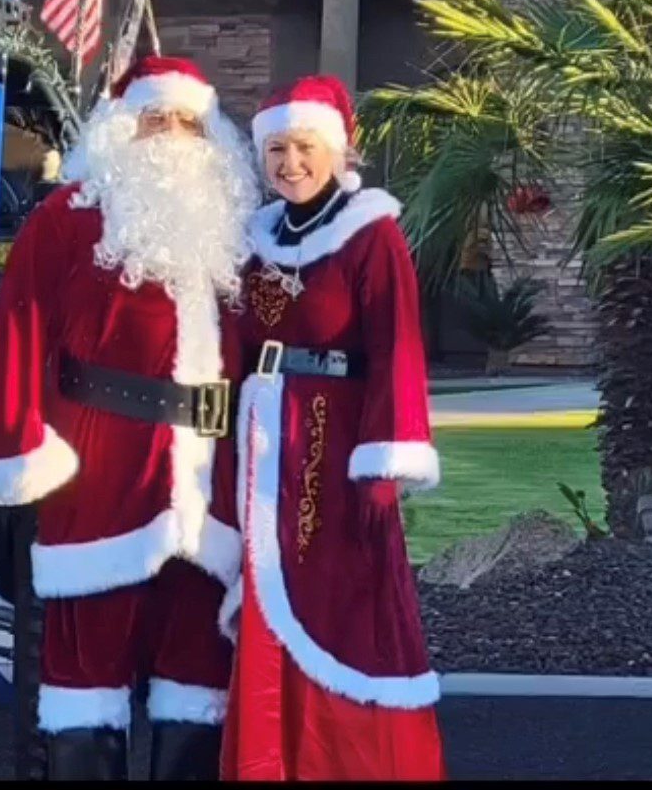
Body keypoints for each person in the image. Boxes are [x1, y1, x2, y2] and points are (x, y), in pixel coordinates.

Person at [0, 56, 261, 780]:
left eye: (187, 121)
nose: (171, 135)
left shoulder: (236, 228)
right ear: (119, 127)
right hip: (98, 476)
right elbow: (19, 330)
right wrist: (18, 446)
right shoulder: (66, 218)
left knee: (199, 673)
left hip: (209, 486)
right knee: (86, 677)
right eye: (154, 117)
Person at [219, 75, 447, 780]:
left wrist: (384, 466)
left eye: (304, 148)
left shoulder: (371, 236)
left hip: (336, 448)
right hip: (261, 459)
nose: (290, 164)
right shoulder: (255, 242)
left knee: (346, 610)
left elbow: (397, 348)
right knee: (270, 602)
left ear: (337, 150)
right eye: (277, 150)